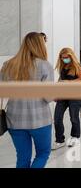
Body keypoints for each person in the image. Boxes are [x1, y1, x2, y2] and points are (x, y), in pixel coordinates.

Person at [0, 32, 54, 168]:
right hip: (40, 120)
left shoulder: (8, 65)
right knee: (43, 153)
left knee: (23, 158)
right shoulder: (44, 65)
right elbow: (48, 97)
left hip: (15, 120)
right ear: (40, 46)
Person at [53, 48, 81, 150]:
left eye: (66, 57)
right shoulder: (62, 66)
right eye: (62, 58)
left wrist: (68, 82)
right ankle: (59, 140)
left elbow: (80, 80)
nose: (64, 59)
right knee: (57, 118)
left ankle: (75, 137)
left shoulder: (77, 66)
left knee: (74, 118)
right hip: (63, 95)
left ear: (71, 56)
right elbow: (61, 80)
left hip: (75, 95)